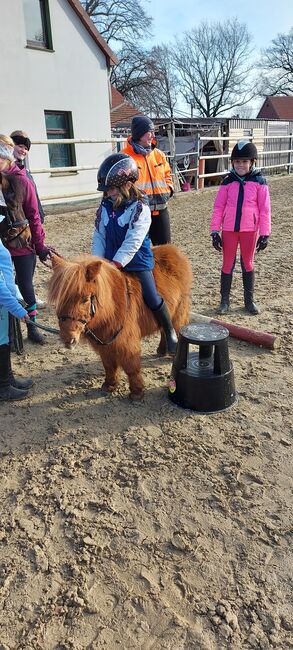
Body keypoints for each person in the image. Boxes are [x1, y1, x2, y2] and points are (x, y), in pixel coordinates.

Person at [92, 153, 178, 354]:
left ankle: (169, 331)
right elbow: (99, 236)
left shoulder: (140, 208)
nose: (108, 194)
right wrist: (99, 261)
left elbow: (133, 241)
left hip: (136, 261)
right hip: (110, 261)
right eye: (106, 190)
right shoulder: (104, 207)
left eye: (111, 189)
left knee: (151, 296)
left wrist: (116, 264)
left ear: (127, 184)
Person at [210, 141, 271, 315]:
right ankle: (224, 301)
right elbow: (218, 207)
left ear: (252, 162)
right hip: (229, 230)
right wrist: (215, 231)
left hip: (250, 231)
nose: (240, 165)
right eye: (237, 162)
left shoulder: (260, 181)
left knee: (248, 264)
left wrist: (265, 233)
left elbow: (265, 209)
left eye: (244, 162)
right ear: (232, 163)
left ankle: (249, 301)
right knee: (227, 264)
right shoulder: (227, 182)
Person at [0, 134, 51, 344]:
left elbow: (34, 215)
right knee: (5, 287)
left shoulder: (22, 181)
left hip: (21, 241)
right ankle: (8, 333)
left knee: (25, 285)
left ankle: (32, 328)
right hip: (1, 242)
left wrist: (40, 246)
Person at [122, 116, 174, 246]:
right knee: (139, 252)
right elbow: (121, 185)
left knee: (165, 252)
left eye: (153, 131)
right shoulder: (125, 157)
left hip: (161, 210)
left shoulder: (159, 155)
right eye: (149, 132)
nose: (152, 135)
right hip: (138, 213)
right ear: (139, 134)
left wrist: (169, 189)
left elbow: (168, 175)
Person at [10, 129, 46, 309]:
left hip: (29, 225)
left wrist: (40, 214)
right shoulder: (11, 173)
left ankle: (24, 291)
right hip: (17, 228)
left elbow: (33, 199)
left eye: (26, 148)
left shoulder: (25, 170)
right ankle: (22, 294)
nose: (23, 150)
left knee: (28, 267)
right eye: (20, 146)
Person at [0, 234, 33, 401]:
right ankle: (3, 387)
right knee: (1, 341)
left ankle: (8, 379)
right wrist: (18, 309)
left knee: (4, 340)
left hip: (5, 302)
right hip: (2, 302)